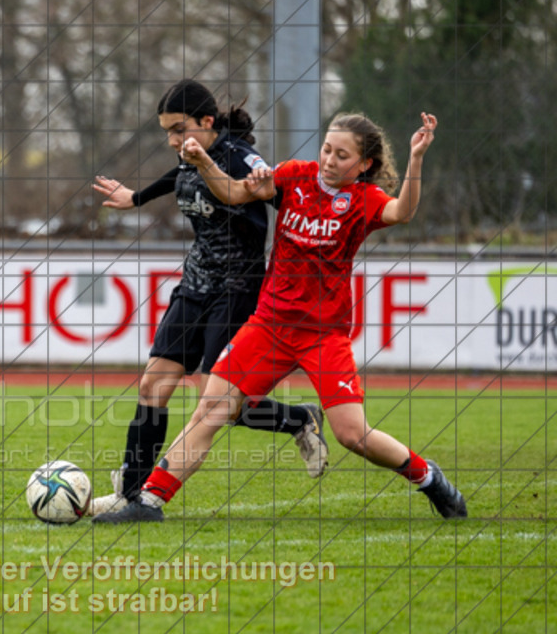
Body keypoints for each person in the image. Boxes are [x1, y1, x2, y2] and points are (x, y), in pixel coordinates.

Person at [94, 111, 468, 523]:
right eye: (327, 148)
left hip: (322, 334)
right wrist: (204, 163)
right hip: (269, 325)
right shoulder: (294, 176)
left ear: (364, 165)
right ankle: (149, 503)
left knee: (351, 435)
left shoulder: (363, 200)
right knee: (211, 410)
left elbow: (403, 212)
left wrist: (416, 158)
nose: (329, 160)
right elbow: (234, 194)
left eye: (342, 155)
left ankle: (429, 477)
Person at [87, 79, 329, 517]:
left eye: (180, 129)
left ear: (207, 121)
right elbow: (179, 175)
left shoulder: (241, 159)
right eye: (167, 132)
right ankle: (131, 494)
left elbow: (282, 195)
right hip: (196, 284)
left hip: (238, 288)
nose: (174, 141)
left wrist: (313, 236)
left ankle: (298, 419)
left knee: (220, 401)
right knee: (152, 385)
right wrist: (137, 197)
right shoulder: (189, 155)